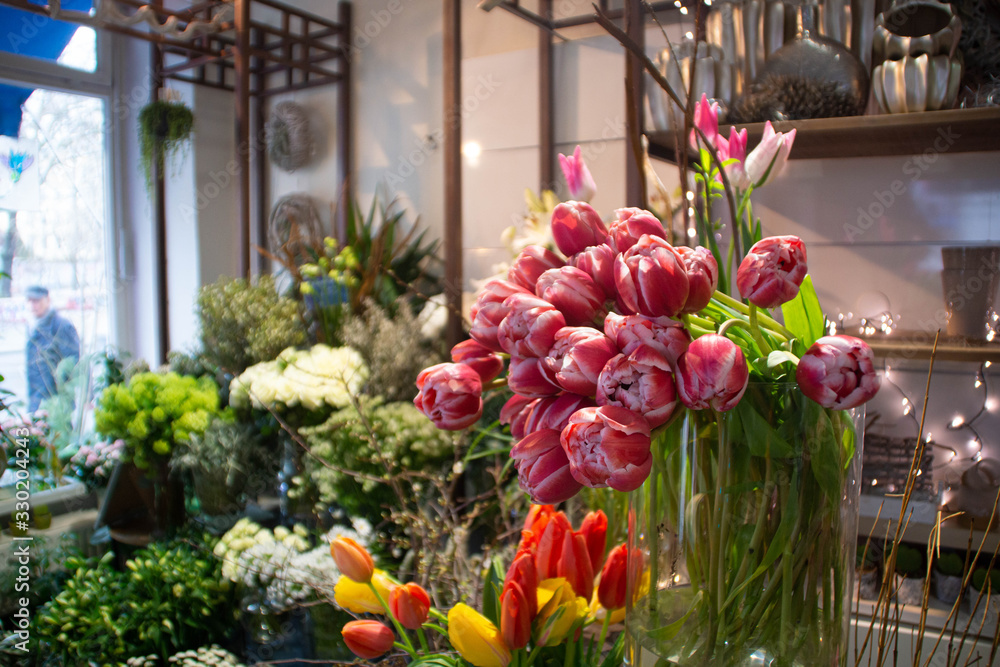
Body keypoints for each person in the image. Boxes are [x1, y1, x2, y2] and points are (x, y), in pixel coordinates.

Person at [25, 285, 79, 413]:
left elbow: (74, 363)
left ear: (48, 300)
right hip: (38, 401)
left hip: (57, 404)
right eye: (30, 301)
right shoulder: (35, 326)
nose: (33, 305)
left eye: (37, 301)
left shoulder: (61, 326)